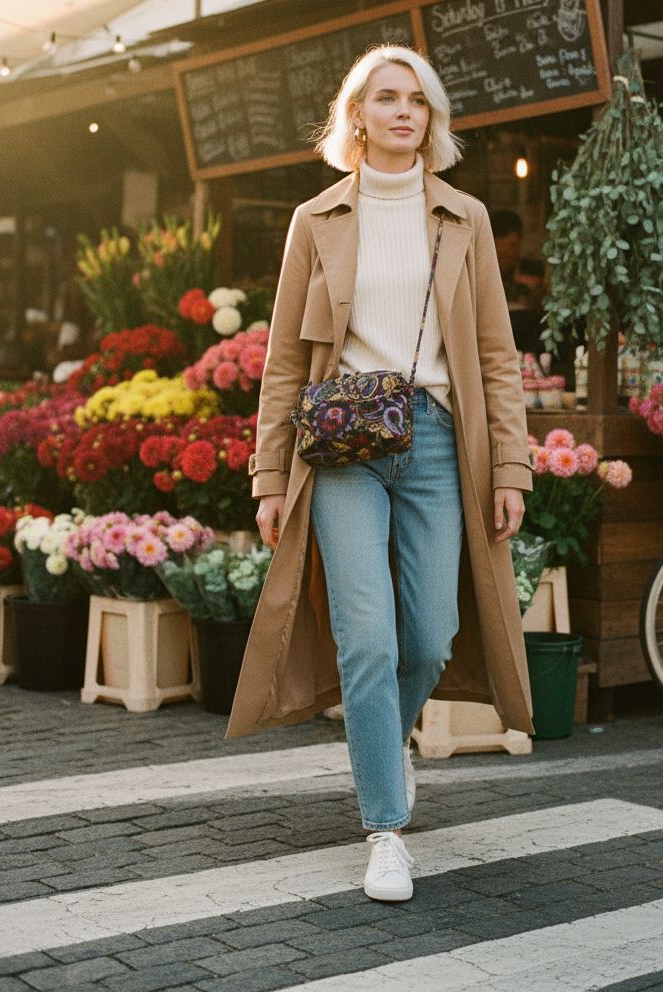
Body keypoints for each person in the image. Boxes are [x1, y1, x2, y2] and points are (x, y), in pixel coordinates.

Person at [226, 45, 535, 903]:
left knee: (430, 636)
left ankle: (381, 742)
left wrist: (509, 463)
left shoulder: (464, 218)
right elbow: (283, 360)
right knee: (366, 638)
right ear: (355, 116)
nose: (405, 113)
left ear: (431, 121)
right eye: (387, 99)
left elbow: (498, 358)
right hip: (342, 453)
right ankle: (386, 830)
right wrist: (268, 479)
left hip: (437, 443)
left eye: (419, 102)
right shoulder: (316, 219)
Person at [490, 208, 544, 354]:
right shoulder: (482, 273)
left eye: (514, 245)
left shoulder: (530, 270)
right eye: (510, 244)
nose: (509, 251)